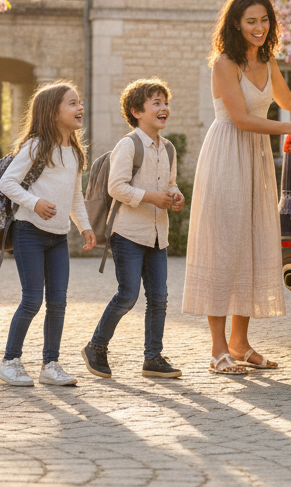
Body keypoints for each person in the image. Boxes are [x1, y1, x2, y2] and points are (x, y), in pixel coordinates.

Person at [183, 0, 291, 375]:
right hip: (227, 154)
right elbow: (242, 118)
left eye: (264, 20)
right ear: (236, 24)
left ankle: (240, 344)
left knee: (251, 243)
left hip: (257, 159)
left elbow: (288, 99)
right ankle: (217, 350)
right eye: (251, 21)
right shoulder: (224, 63)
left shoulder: (267, 58)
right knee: (223, 247)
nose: (259, 28)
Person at [81, 78, 186, 380]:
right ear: (136, 111)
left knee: (159, 298)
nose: (164, 108)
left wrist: (175, 196)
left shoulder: (168, 148)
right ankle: (96, 347)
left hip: (157, 234)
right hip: (127, 233)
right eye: (156, 103)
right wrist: (151, 197)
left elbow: (170, 184)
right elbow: (116, 188)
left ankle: (152, 358)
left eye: (165, 103)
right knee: (128, 294)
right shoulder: (128, 145)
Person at [0, 81, 97, 387]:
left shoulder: (76, 152)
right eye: (72, 103)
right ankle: (10, 361)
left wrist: (85, 226)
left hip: (58, 236)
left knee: (58, 302)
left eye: (79, 102)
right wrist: (34, 202)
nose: (80, 108)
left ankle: (50, 364)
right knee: (31, 300)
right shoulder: (37, 145)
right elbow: (7, 183)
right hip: (29, 231)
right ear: (53, 113)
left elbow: (75, 195)